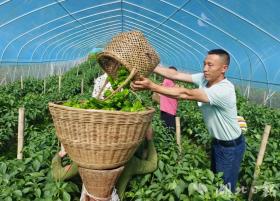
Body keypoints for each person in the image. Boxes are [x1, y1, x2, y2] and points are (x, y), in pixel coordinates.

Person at [131, 49, 246, 192]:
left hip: (231, 147)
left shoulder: (224, 90)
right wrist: (150, 66)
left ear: (224, 68)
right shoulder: (205, 79)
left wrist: (152, 86)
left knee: (224, 189)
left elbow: (186, 93)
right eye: (204, 64)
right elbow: (175, 74)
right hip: (218, 142)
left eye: (210, 65)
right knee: (216, 181)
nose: (205, 69)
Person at [51, 125, 157, 201]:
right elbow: (152, 165)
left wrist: (60, 154)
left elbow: (58, 175)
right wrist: (149, 140)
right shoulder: (129, 161)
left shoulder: (84, 158)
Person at [159, 66, 178, 131]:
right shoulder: (167, 80)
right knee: (170, 130)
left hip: (169, 111)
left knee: (167, 129)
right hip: (168, 111)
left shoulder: (171, 82)